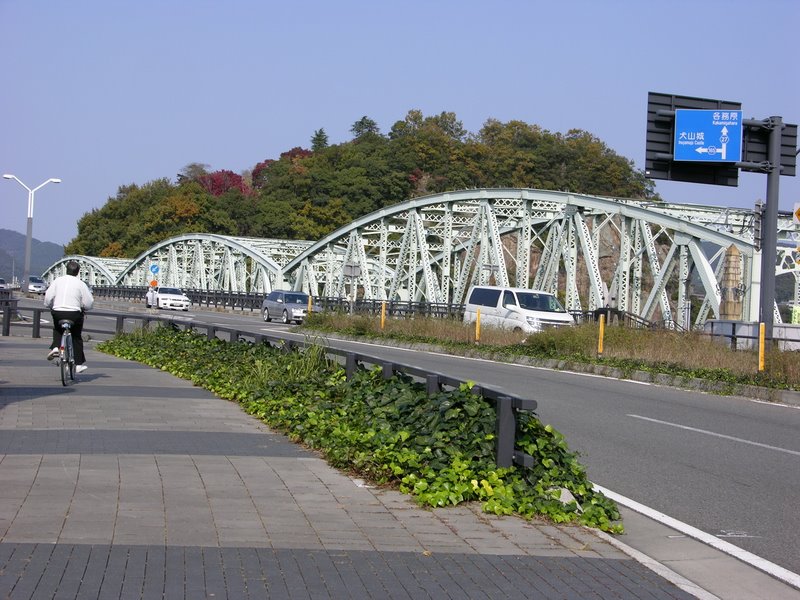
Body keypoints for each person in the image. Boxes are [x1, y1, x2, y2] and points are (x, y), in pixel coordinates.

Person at [44, 260, 94, 373]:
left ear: (66, 270)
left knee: (57, 328)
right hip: (74, 313)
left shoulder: (57, 281)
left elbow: (48, 297)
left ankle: (56, 347)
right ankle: (78, 364)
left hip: (58, 312)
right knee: (76, 336)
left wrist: (49, 305)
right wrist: (84, 307)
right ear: (78, 272)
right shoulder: (81, 284)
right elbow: (89, 302)